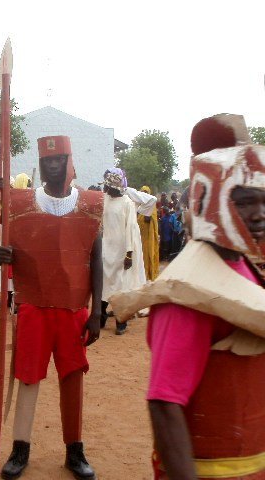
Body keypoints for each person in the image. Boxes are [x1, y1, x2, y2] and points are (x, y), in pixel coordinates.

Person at [109, 113, 265, 480]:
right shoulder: (187, 292)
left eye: (262, 199)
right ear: (210, 197)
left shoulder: (247, 266)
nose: (259, 213)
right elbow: (164, 404)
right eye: (243, 200)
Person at [0, 135, 102, 480]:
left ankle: (75, 448)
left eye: (59, 160)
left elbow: (95, 258)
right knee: (28, 375)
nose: (53, 166)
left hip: (73, 310)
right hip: (34, 307)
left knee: (72, 377)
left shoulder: (90, 206)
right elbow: (9, 251)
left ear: (69, 162)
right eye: (47, 161)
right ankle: (20, 446)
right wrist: (3, 256)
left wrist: (98, 311)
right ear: (41, 165)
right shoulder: (20, 204)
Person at [101, 168, 145, 335]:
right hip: (106, 249)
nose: (106, 189)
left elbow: (131, 230)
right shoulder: (104, 200)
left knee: (120, 287)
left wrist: (129, 253)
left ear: (116, 187)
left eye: (108, 186)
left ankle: (121, 322)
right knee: (104, 284)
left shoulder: (127, 203)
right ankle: (101, 318)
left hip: (121, 252)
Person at [127, 185, 160, 281]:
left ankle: (147, 274)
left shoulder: (151, 206)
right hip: (138, 233)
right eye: (143, 192)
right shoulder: (135, 203)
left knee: (147, 253)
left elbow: (149, 218)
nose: (144, 195)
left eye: (146, 193)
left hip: (148, 235)